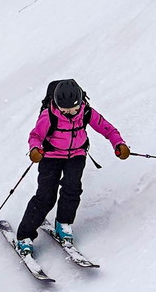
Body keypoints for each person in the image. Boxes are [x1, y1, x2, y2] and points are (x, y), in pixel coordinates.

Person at [16, 77, 129, 251]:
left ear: (81, 102)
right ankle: (25, 235)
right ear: (57, 104)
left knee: (72, 190)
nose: (69, 112)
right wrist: (35, 150)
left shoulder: (87, 112)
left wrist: (118, 143)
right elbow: (36, 136)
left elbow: (108, 129)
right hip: (51, 157)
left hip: (76, 155)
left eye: (73, 108)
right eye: (65, 109)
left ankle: (63, 224)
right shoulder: (49, 115)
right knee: (46, 196)